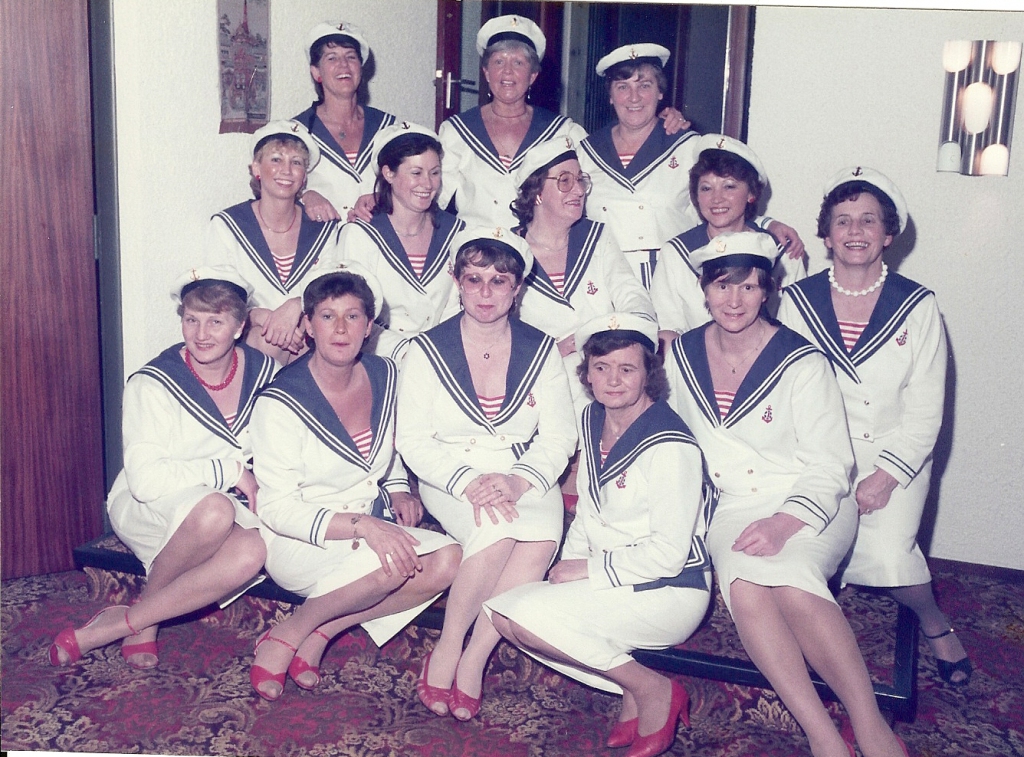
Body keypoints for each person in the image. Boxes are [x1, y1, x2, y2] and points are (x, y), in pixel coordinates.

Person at [664, 232, 909, 757]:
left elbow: (831, 464)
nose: (734, 300)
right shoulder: (680, 353)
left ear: (768, 290)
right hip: (734, 505)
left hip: (810, 499)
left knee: (794, 586)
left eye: (749, 287)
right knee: (747, 587)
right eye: (722, 286)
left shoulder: (802, 361)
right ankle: (822, 733)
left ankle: (868, 722)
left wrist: (783, 523)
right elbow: (677, 440)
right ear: (704, 290)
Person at [487, 313, 715, 757]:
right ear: (587, 373)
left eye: (627, 369)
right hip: (614, 578)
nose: (613, 380)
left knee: (524, 617)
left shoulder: (672, 446)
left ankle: (652, 689)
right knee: (503, 613)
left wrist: (589, 570)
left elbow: (669, 555)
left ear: (648, 373)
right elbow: (590, 509)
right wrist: (567, 564)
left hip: (668, 589)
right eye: (601, 367)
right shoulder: (593, 417)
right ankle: (629, 686)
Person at [778, 167, 971, 687]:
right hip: (817, 456)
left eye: (868, 220)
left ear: (888, 234)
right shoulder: (795, 302)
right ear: (826, 235)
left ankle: (933, 620)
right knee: (798, 551)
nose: (855, 231)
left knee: (888, 559)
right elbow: (784, 390)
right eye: (842, 220)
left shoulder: (918, 305)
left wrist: (885, 477)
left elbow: (927, 409)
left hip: (893, 456)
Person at [247, 263, 461, 701]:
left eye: (352, 316)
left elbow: (390, 443)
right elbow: (275, 508)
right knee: (392, 563)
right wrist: (364, 526)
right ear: (308, 326)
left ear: (369, 326)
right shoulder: (280, 402)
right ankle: (290, 632)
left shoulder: (387, 374)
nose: (341, 329)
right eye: (328, 316)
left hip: (369, 527)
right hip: (302, 538)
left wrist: (397, 484)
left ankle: (323, 629)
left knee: (449, 560)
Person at [50, 267, 273, 670]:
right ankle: (146, 628)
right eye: (191, 320)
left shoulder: (264, 373)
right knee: (214, 511)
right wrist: (229, 472)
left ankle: (127, 621)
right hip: (148, 504)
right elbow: (146, 481)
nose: (201, 334)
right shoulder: (152, 383)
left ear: (240, 326)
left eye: (215, 322)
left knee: (252, 551)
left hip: (220, 504)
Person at [396, 227, 577, 721]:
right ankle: (448, 645)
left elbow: (559, 436)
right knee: (497, 531)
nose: (485, 293)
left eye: (499, 281)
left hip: (524, 472)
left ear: (517, 288)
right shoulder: (425, 349)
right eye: (474, 279)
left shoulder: (541, 349)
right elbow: (412, 440)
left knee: (540, 539)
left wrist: (519, 479)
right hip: (450, 471)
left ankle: (476, 655)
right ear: (456, 281)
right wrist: (466, 481)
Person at [577, 45, 804, 289]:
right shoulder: (586, 152)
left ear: (660, 92)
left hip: (673, 279)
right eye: (623, 87)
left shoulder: (688, 146)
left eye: (645, 85)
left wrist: (767, 225)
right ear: (610, 96)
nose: (634, 97)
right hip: (605, 278)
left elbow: (722, 199)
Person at [511, 136, 656, 412]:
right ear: (536, 192)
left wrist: (610, 340)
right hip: (538, 386)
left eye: (580, 180)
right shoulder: (510, 251)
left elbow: (632, 296)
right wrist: (551, 351)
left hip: (606, 383)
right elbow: (496, 332)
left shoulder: (596, 237)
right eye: (565, 181)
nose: (578, 190)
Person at [324, 121, 465, 363]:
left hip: (442, 356)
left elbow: (457, 307)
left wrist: (436, 354)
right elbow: (350, 314)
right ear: (388, 173)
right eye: (416, 173)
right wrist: (405, 353)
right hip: (379, 360)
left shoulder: (456, 232)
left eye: (435, 172)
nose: (428, 184)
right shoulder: (360, 234)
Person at [205, 120, 340, 364]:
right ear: (257, 168)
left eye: (296, 162)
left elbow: (333, 291)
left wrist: (296, 305)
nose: (286, 170)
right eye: (276, 159)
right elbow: (218, 300)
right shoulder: (227, 225)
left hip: (307, 335)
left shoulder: (323, 229)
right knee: (266, 340)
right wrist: (260, 316)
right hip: (250, 338)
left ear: (304, 177)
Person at [651, 134, 805, 344]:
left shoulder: (783, 250)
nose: (716, 198)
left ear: (751, 194)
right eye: (706, 188)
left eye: (729, 186)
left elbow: (796, 327)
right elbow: (669, 330)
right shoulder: (676, 253)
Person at [294, 22, 397, 223]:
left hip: (379, 237)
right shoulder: (297, 132)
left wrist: (383, 198)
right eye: (332, 58)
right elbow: (276, 188)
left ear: (361, 68)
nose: (344, 65)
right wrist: (305, 196)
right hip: (322, 239)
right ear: (316, 72)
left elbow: (412, 185)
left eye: (351, 57)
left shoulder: (388, 127)